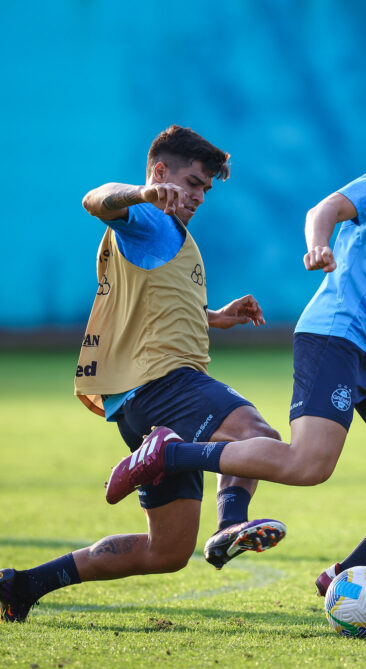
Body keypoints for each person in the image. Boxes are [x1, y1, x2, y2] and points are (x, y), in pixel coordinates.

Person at [95, 100, 366, 596]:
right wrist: (319, 243)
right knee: (309, 466)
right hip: (336, 335)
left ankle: (352, 570)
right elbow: (328, 207)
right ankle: (172, 456)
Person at [0, 125, 286, 623]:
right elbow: (96, 199)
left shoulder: (167, 233)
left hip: (141, 403)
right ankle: (229, 520)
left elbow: (161, 306)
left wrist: (217, 315)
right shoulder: (149, 217)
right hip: (165, 386)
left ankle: (23, 585)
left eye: (205, 189)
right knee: (258, 435)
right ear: (159, 173)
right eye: (193, 183)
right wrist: (144, 195)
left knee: (167, 552)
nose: (199, 196)